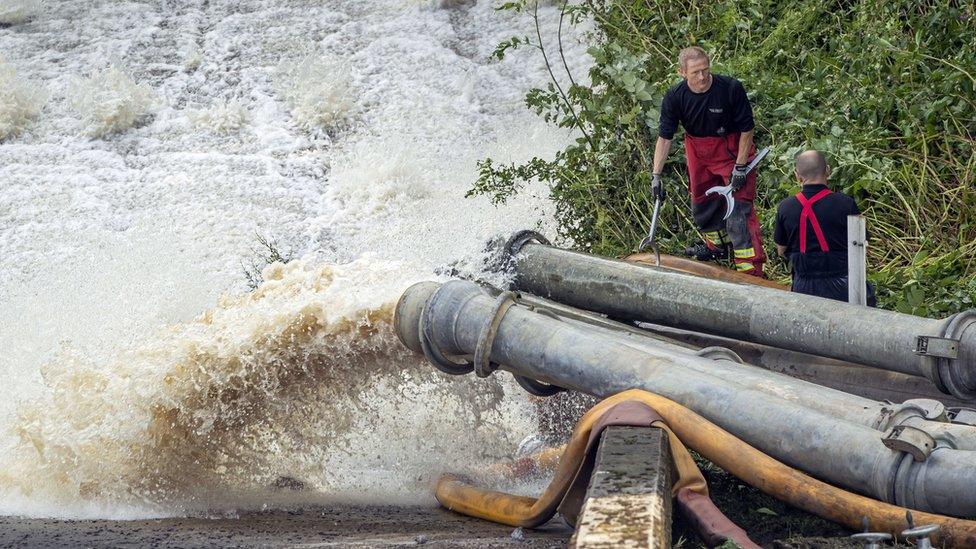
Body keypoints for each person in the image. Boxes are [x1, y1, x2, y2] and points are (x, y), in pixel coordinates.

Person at [651, 46, 765, 277]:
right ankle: (718, 248)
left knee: (739, 213)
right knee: (703, 203)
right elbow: (665, 138)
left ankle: (750, 269)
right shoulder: (675, 97)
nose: (702, 77)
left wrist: (741, 166)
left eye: (705, 69)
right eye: (695, 72)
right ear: (682, 72)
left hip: (732, 151)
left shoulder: (730, 88)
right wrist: (656, 175)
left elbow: (747, 129)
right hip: (698, 153)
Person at [774, 150, 874, 304]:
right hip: (845, 288)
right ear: (828, 170)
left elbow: (781, 251)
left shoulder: (785, 207)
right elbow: (862, 246)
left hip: (803, 289)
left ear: (797, 175)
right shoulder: (846, 203)